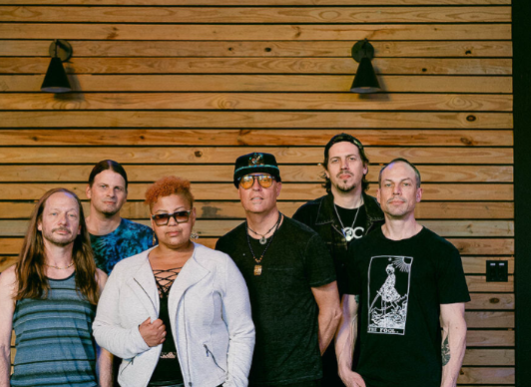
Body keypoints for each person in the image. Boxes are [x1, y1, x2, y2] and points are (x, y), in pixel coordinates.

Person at [93, 176, 255, 387]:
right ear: (152, 221)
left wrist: (235, 384)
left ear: (192, 215)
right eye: (162, 216)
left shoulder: (219, 265)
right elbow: (102, 329)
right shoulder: (125, 270)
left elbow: (242, 331)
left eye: (180, 214)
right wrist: (137, 339)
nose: (172, 223)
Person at [336, 159, 470, 387]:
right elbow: (349, 316)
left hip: (423, 381)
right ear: (378, 195)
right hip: (368, 381)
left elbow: (454, 325)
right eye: (388, 184)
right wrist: (344, 370)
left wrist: (448, 384)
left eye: (405, 184)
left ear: (418, 194)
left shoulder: (442, 252)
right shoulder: (359, 250)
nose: (396, 190)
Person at [216, 152, 341, 386]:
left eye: (265, 179)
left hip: (298, 379)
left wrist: (307, 359)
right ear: (239, 191)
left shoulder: (306, 241)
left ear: (278, 188)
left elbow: (332, 311)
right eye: (246, 181)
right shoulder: (226, 246)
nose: (256, 187)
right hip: (243, 375)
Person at [0, 188, 110, 387]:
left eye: (71, 215)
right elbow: (0, 347)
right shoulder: (13, 278)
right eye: (54, 213)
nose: (63, 221)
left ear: (79, 228)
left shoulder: (98, 280)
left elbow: (103, 349)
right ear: (39, 223)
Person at [292, 133, 384, 387]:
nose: (344, 166)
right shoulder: (307, 217)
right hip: (321, 339)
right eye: (335, 160)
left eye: (351, 159)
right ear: (326, 170)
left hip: (373, 341)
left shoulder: (384, 215)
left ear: (364, 167)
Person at [86, 159, 154, 275]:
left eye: (117, 188)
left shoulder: (145, 236)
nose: (111, 194)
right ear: (89, 191)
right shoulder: (73, 234)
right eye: (103, 186)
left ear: (125, 196)